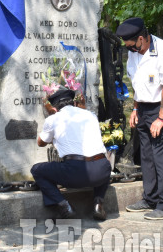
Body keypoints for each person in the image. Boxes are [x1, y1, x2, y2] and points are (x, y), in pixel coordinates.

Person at [116, 17, 163, 220]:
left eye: (132, 46)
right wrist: (135, 109)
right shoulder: (135, 53)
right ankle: (150, 198)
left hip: (161, 108)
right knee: (146, 155)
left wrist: (161, 119)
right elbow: (137, 84)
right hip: (143, 107)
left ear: (142, 38)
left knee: (159, 155)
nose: (131, 50)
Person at [30, 88, 111, 221]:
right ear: (73, 103)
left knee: (37, 170)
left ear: (55, 107)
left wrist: (52, 125)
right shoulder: (91, 115)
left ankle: (64, 206)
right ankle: (98, 204)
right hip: (101, 170)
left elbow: (41, 143)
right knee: (103, 163)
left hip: (76, 172)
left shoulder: (53, 119)